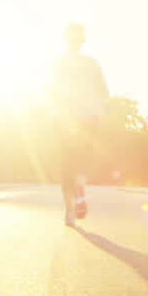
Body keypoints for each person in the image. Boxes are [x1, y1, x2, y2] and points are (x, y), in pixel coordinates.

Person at [49, 22, 109, 226]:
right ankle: (80, 189)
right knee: (82, 159)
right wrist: (101, 113)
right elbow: (103, 93)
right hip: (87, 117)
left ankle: (70, 211)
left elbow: (49, 91)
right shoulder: (92, 64)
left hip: (64, 118)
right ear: (83, 39)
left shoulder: (57, 63)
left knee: (67, 163)